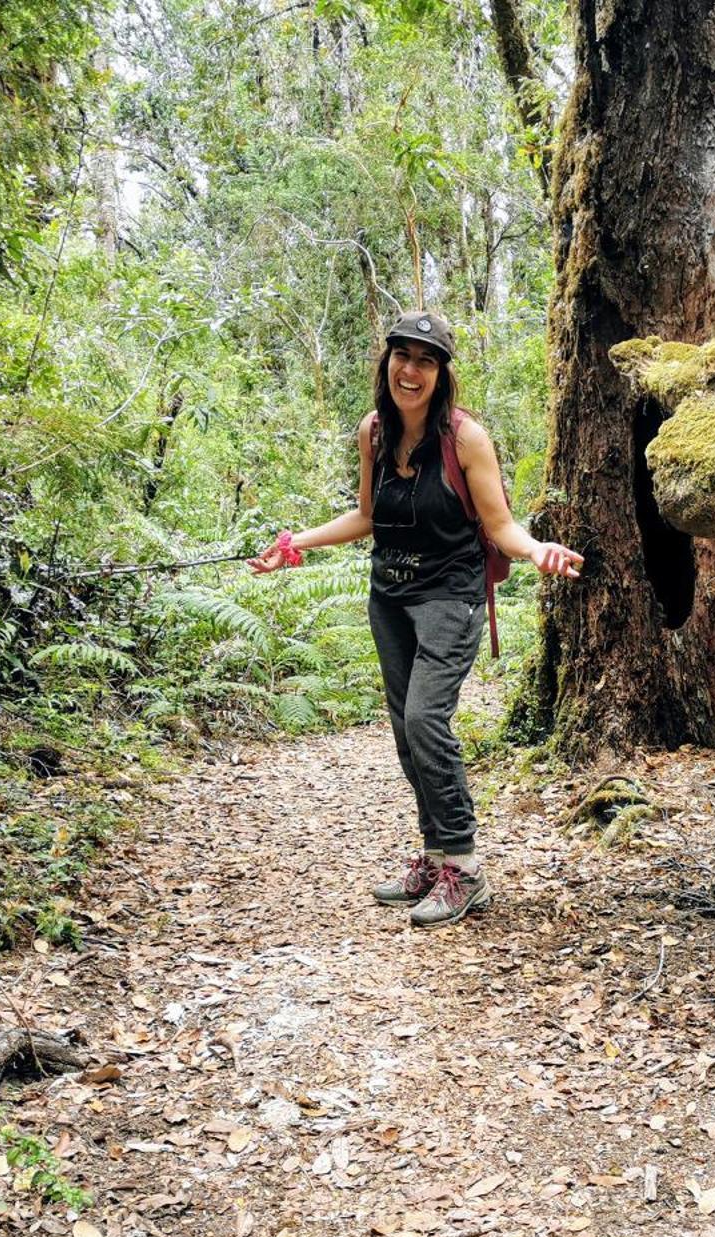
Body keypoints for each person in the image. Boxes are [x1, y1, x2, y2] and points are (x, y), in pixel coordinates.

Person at [248, 310, 582, 927]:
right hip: (390, 597)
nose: (412, 370)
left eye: (426, 360)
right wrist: (294, 545)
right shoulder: (374, 432)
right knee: (406, 731)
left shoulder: (465, 438)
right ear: (388, 363)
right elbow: (367, 516)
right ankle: (435, 859)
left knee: (427, 721)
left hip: (450, 597)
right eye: (403, 356)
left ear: (441, 373)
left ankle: (466, 868)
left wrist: (538, 550)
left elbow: (501, 525)